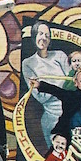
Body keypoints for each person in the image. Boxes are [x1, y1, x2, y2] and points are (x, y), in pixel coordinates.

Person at [21, 21, 71, 149]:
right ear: (34, 36)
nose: (43, 38)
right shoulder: (28, 63)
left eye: (47, 35)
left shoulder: (59, 55)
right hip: (52, 119)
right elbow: (40, 97)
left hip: (72, 114)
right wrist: (61, 83)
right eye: (40, 34)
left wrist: (46, 86)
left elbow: (71, 83)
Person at [30, 70, 81, 137]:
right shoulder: (70, 96)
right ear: (76, 83)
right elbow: (55, 90)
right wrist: (39, 85)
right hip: (67, 136)